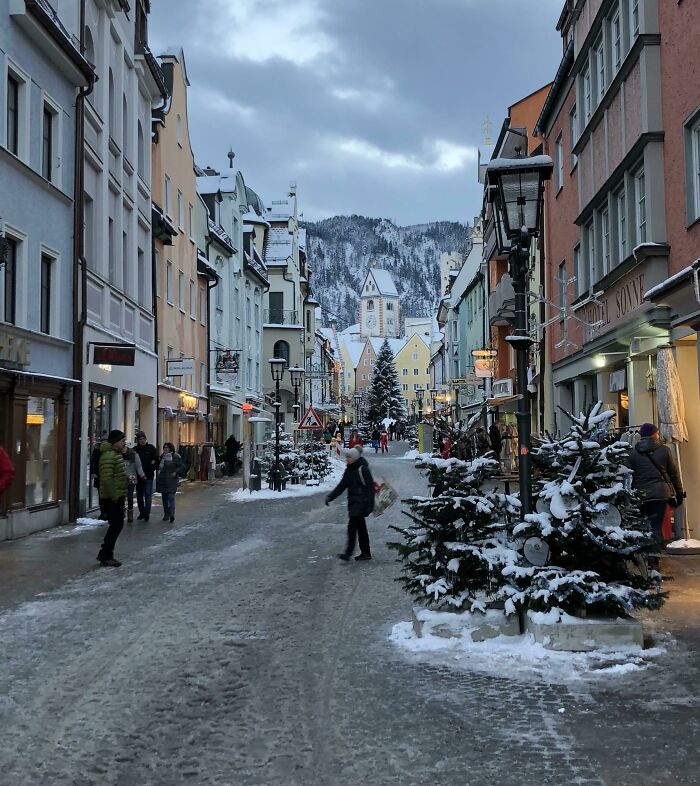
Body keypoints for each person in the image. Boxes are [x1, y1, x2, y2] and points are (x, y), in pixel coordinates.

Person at [628, 422, 684, 540]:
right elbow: (673, 474)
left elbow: (629, 475)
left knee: (643, 526)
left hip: (641, 493)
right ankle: (657, 547)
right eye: (657, 433)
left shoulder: (633, 453)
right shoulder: (664, 450)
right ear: (654, 434)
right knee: (657, 526)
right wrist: (679, 492)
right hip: (661, 493)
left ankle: (646, 547)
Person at [326, 447, 375, 561]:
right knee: (361, 529)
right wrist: (331, 497)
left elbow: (370, 488)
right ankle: (366, 553)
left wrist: (370, 505)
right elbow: (342, 486)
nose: (346, 459)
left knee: (351, 528)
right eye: (346, 457)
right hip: (353, 503)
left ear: (355, 457)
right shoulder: (349, 470)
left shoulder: (363, 469)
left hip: (361, 504)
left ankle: (348, 553)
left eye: (349, 457)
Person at [97, 430, 128, 567]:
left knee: (117, 525)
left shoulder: (115, 454)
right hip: (112, 498)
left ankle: (106, 553)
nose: (124, 443)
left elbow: (115, 475)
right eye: (122, 441)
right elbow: (107, 479)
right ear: (115, 443)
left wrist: (127, 478)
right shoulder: (109, 456)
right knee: (116, 525)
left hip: (116, 496)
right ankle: (105, 555)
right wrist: (115, 496)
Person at [157, 442, 183, 523]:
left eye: (167, 447)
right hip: (163, 480)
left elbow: (181, 466)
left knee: (171, 498)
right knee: (164, 499)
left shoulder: (175, 456)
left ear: (170, 448)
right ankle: (166, 514)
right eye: (164, 447)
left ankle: (172, 514)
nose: (165, 449)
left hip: (172, 480)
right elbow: (159, 467)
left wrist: (175, 472)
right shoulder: (162, 456)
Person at [134, 431, 158, 521]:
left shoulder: (151, 448)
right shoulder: (135, 450)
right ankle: (141, 513)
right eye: (140, 439)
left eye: (143, 439)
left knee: (148, 495)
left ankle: (147, 513)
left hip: (148, 476)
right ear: (138, 440)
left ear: (145, 439)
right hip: (139, 477)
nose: (142, 440)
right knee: (139, 496)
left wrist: (152, 468)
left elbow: (156, 460)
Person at [122, 445, 146, 523]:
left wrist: (142, 476)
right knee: (121, 497)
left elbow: (139, 467)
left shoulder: (134, 455)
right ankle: (122, 512)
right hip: (121, 479)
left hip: (131, 479)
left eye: (124, 448)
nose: (123, 450)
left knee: (129, 497)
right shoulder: (118, 455)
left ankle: (130, 515)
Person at [90, 432, 108, 520]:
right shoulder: (97, 449)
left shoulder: (110, 450)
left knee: (106, 496)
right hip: (100, 476)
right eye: (103, 441)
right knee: (101, 496)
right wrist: (94, 472)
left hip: (107, 476)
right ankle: (103, 512)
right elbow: (93, 461)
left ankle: (106, 512)